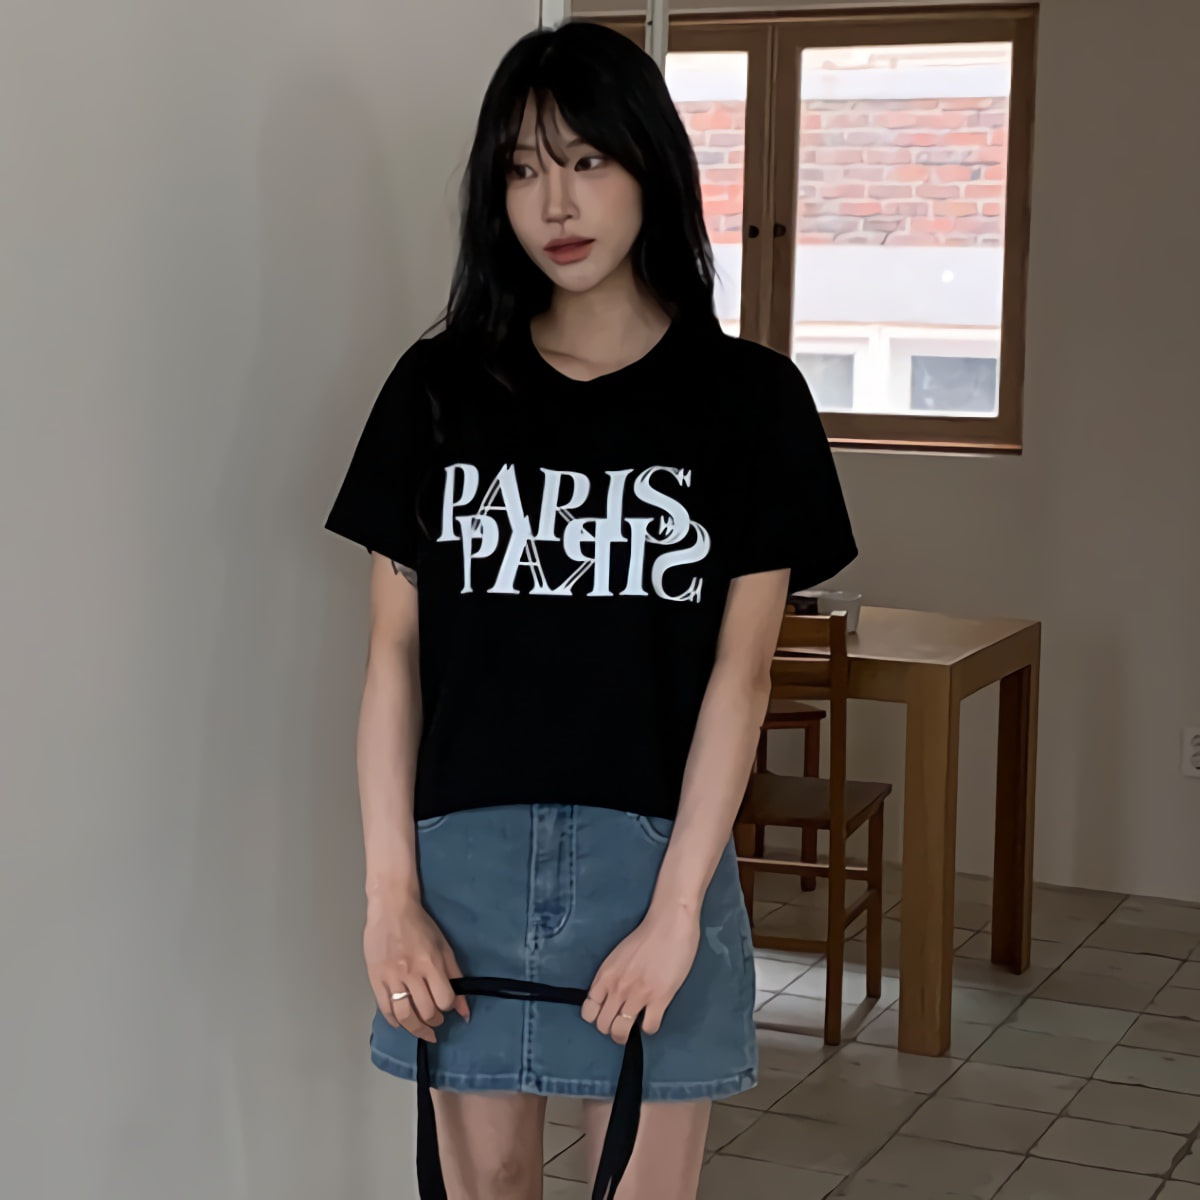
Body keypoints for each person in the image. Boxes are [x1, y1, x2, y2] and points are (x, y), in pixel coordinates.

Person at [324, 19, 856, 1200]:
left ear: (650, 165)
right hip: (459, 863)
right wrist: (389, 897)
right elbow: (393, 659)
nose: (554, 202)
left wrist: (678, 915)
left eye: (586, 160)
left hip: (658, 859)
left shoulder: (750, 404)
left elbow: (742, 680)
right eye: (522, 169)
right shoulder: (438, 391)